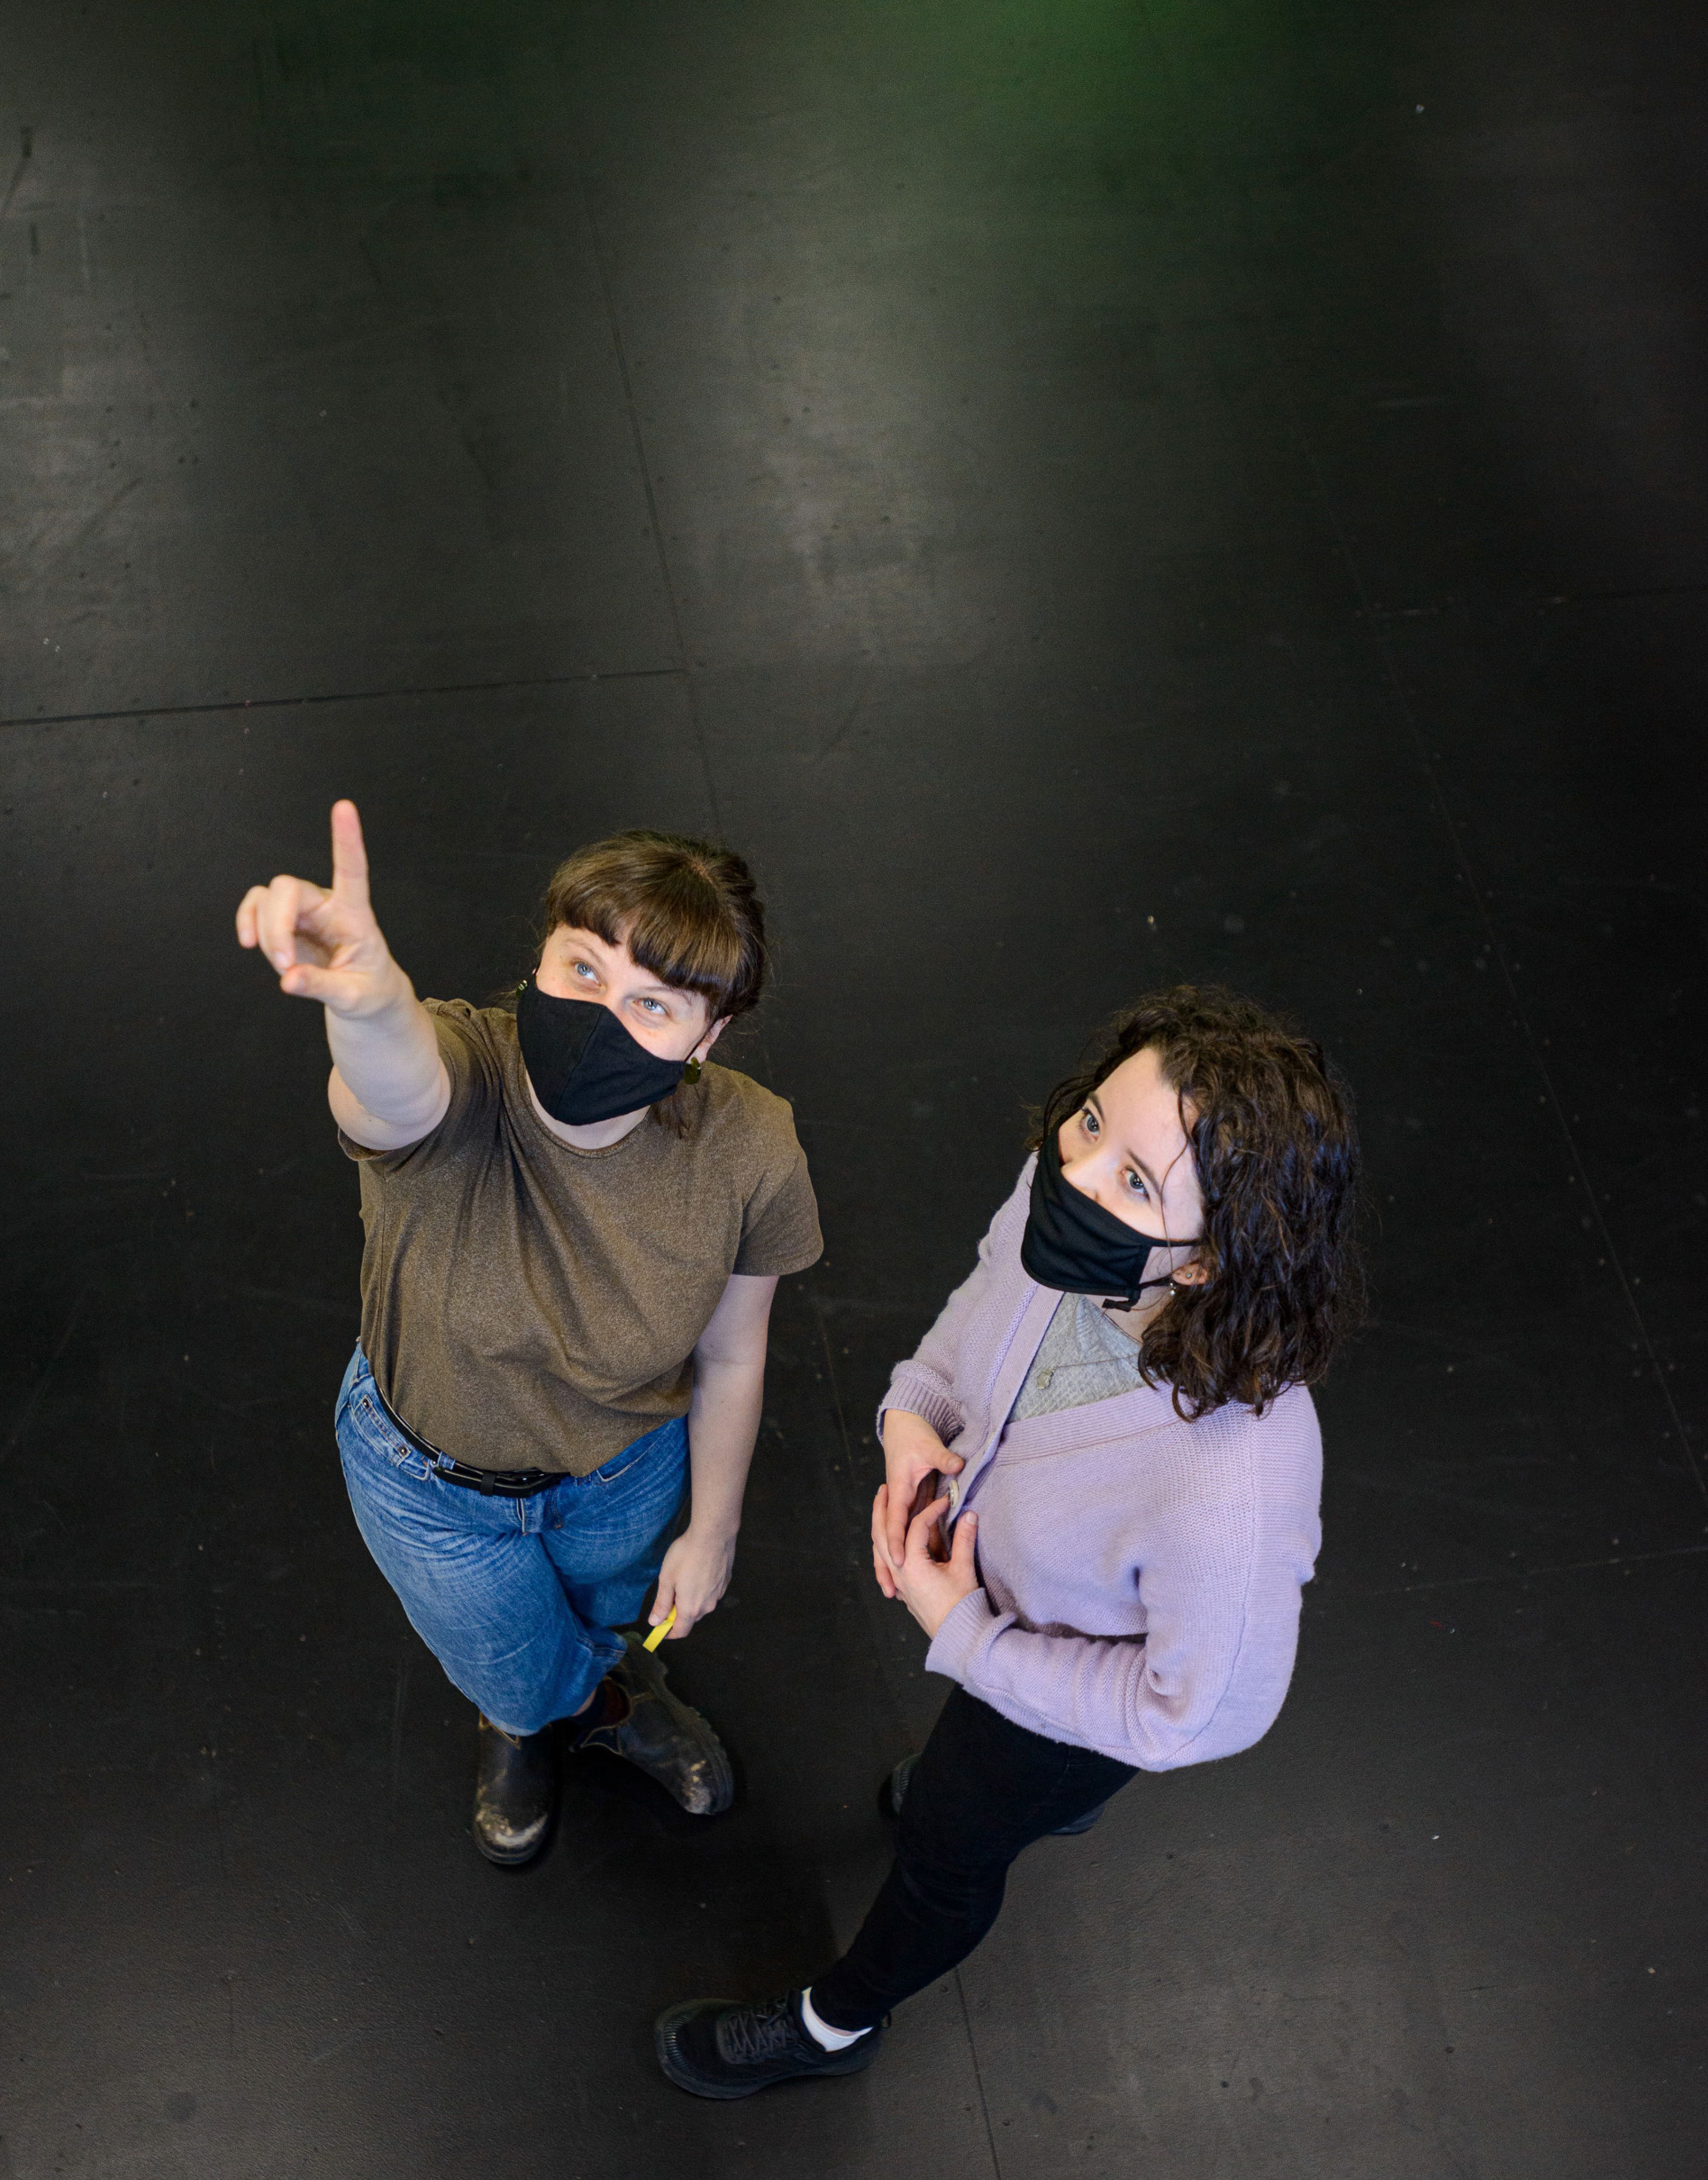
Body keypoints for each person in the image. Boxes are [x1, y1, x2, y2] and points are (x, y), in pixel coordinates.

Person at [655, 983, 1361, 2096]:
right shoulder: (1064, 1200)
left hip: (1055, 1692)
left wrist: (967, 1637)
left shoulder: (1237, 1484)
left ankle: (837, 2024)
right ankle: (1036, 1794)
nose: (1074, 1173)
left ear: (1205, 1263)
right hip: (1000, 1611)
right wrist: (909, 1420)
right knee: (955, 1774)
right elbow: (979, 1310)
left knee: (946, 1844)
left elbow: (1198, 1714)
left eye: (1136, 1182)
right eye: (1091, 1123)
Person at [236, 800, 822, 1866]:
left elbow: (735, 1351)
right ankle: (543, 1720)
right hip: (433, 1488)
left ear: (712, 1035)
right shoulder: (469, 1066)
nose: (606, 1015)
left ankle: (595, 1687)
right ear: (541, 957)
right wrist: (368, 1007)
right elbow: (394, 1093)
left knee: (610, 1619)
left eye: (657, 1004)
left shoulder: (752, 1148)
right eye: (584, 969)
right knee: (512, 1672)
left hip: (626, 1467)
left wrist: (716, 1525)